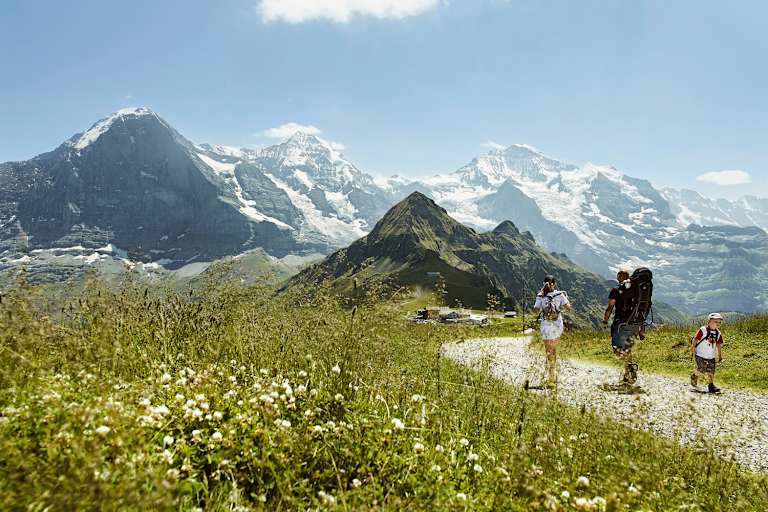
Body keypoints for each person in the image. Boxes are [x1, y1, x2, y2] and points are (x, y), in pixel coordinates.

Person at [602, 270, 641, 385]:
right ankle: (627, 374)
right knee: (627, 349)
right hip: (635, 325)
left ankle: (630, 368)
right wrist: (641, 328)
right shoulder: (637, 291)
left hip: (621, 324)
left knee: (617, 349)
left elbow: (610, 307)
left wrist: (605, 321)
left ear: (620, 278)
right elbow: (642, 308)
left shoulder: (616, 290)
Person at [533, 275, 572, 388]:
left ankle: (551, 376)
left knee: (548, 350)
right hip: (557, 324)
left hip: (546, 325)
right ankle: (553, 374)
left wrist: (541, 299)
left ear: (544, 283)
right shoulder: (560, 294)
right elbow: (568, 308)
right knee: (553, 349)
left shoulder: (540, 295)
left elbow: (535, 311)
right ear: (554, 284)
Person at [690, 313, 724, 394]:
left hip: (711, 356)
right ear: (709, 321)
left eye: (719, 322)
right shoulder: (703, 330)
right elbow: (696, 338)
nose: (718, 324)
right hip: (700, 354)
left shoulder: (718, 333)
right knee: (701, 369)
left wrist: (719, 355)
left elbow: (718, 345)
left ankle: (711, 386)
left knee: (711, 371)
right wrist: (693, 347)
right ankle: (694, 376)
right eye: (715, 321)